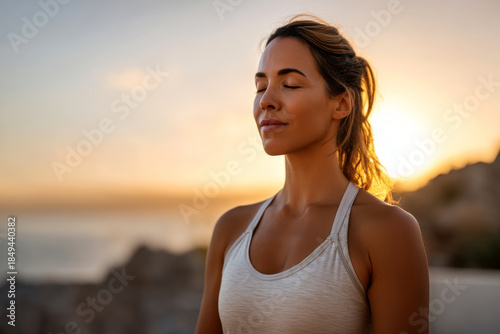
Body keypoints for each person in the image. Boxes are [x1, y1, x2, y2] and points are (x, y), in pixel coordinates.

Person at [195, 13, 429, 334]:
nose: (266, 101)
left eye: (289, 84)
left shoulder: (388, 231)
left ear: (341, 103)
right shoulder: (231, 228)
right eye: (261, 86)